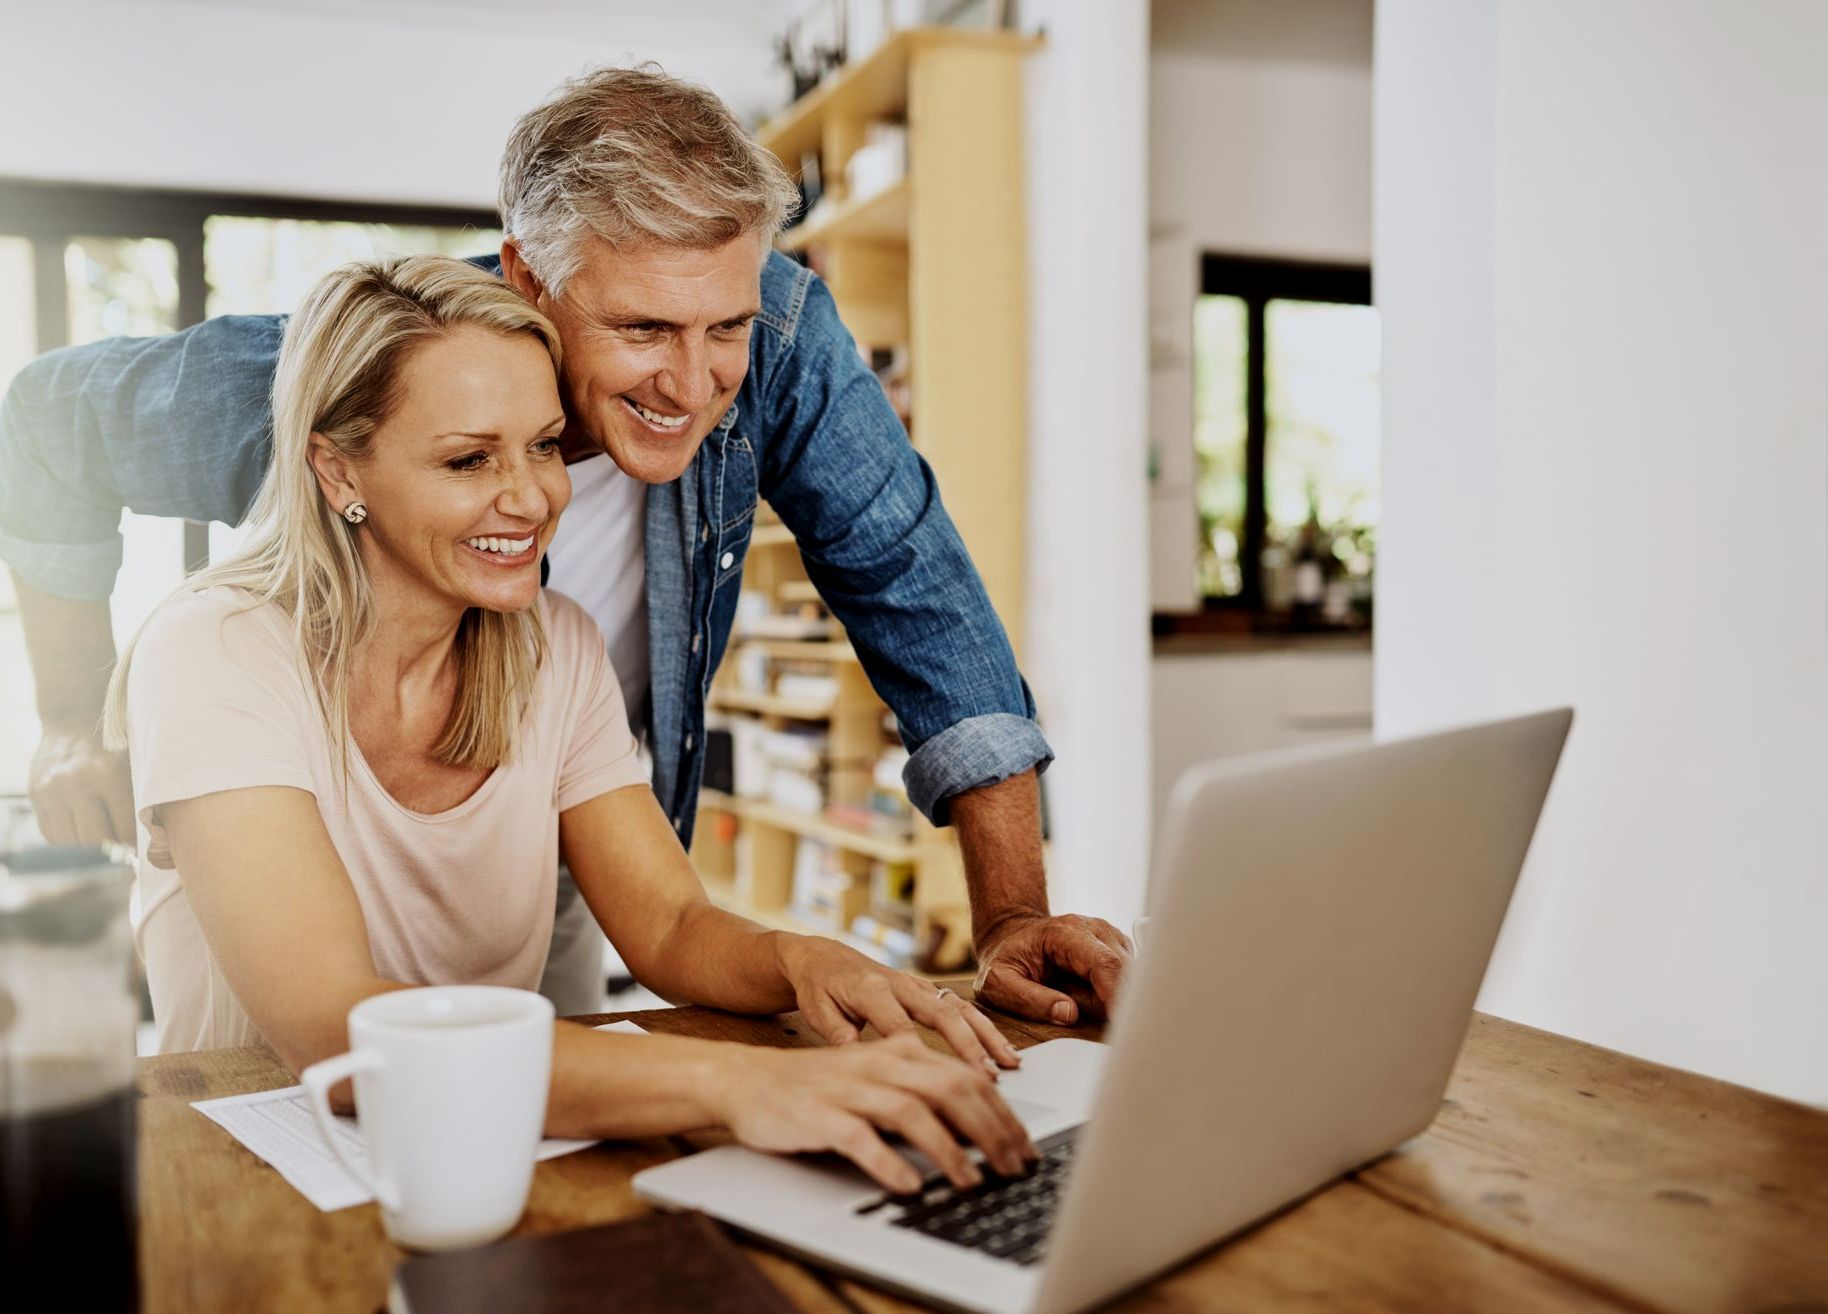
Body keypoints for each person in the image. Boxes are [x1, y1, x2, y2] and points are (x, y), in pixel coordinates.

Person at [1, 64, 1130, 1028]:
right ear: (530, 279)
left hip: (570, 841)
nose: (694, 387)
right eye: (641, 328)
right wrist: (67, 713)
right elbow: (44, 423)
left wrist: (1010, 918)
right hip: (303, 846)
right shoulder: (338, 380)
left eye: (723, 326)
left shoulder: (759, 359)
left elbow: (913, 586)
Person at [106, 253, 1035, 1195]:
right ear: (337, 467)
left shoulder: (556, 646)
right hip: (254, 1184)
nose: (531, 498)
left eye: (545, 446)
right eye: (469, 459)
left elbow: (669, 925)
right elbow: (338, 1028)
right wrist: (746, 1082)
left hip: (485, 1160)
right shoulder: (215, 648)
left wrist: (805, 961)